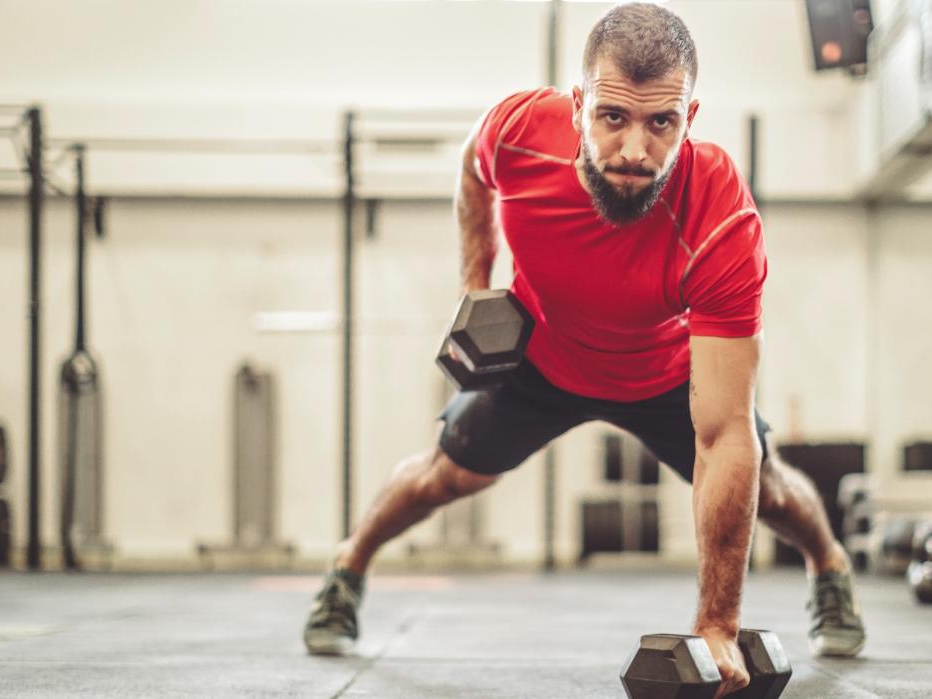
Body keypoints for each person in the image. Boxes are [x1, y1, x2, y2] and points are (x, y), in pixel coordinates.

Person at [305, 3, 865, 694]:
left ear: (692, 115)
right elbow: (471, 176)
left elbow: (723, 434)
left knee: (771, 487)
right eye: (613, 118)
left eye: (662, 122)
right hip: (542, 357)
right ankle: (347, 565)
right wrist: (475, 288)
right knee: (442, 476)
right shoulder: (517, 133)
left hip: (663, 374)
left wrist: (718, 622)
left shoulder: (720, 215)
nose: (635, 149)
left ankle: (830, 565)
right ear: (577, 108)